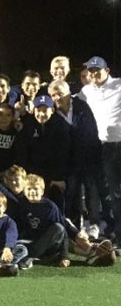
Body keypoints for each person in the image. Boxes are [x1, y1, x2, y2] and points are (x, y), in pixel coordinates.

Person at [6, 167, 116, 267]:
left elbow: (62, 227)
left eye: (17, 179)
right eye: (29, 189)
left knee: (59, 228)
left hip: (47, 242)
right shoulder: (19, 202)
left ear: (42, 190)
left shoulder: (49, 207)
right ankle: (91, 253)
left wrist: (65, 255)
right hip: (29, 241)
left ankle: (90, 250)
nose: (14, 183)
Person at [48, 80, 110, 237]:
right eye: (53, 95)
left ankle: (95, 225)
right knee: (71, 194)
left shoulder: (83, 106)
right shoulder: (52, 114)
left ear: (69, 93)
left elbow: (89, 133)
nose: (57, 98)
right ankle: (73, 228)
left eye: (60, 94)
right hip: (69, 164)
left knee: (92, 191)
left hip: (89, 159)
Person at [78, 56, 121, 251]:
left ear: (107, 70)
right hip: (102, 147)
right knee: (113, 193)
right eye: (91, 70)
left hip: (119, 143)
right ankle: (117, 236)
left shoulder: (119, 85)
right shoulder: (86, 91)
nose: (94, 73)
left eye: (98, 70)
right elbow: (65, 102)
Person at [15, 95, 72, 212]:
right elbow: (22, 152)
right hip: (33, 173)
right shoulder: (28, 124)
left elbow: (64, 154)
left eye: (45, 110)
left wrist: (58, 178)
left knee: (54, 205)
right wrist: (25, 176)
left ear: (52, 110)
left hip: (54, 174)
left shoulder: (61, 125)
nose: (41, 114)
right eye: (38, 110)